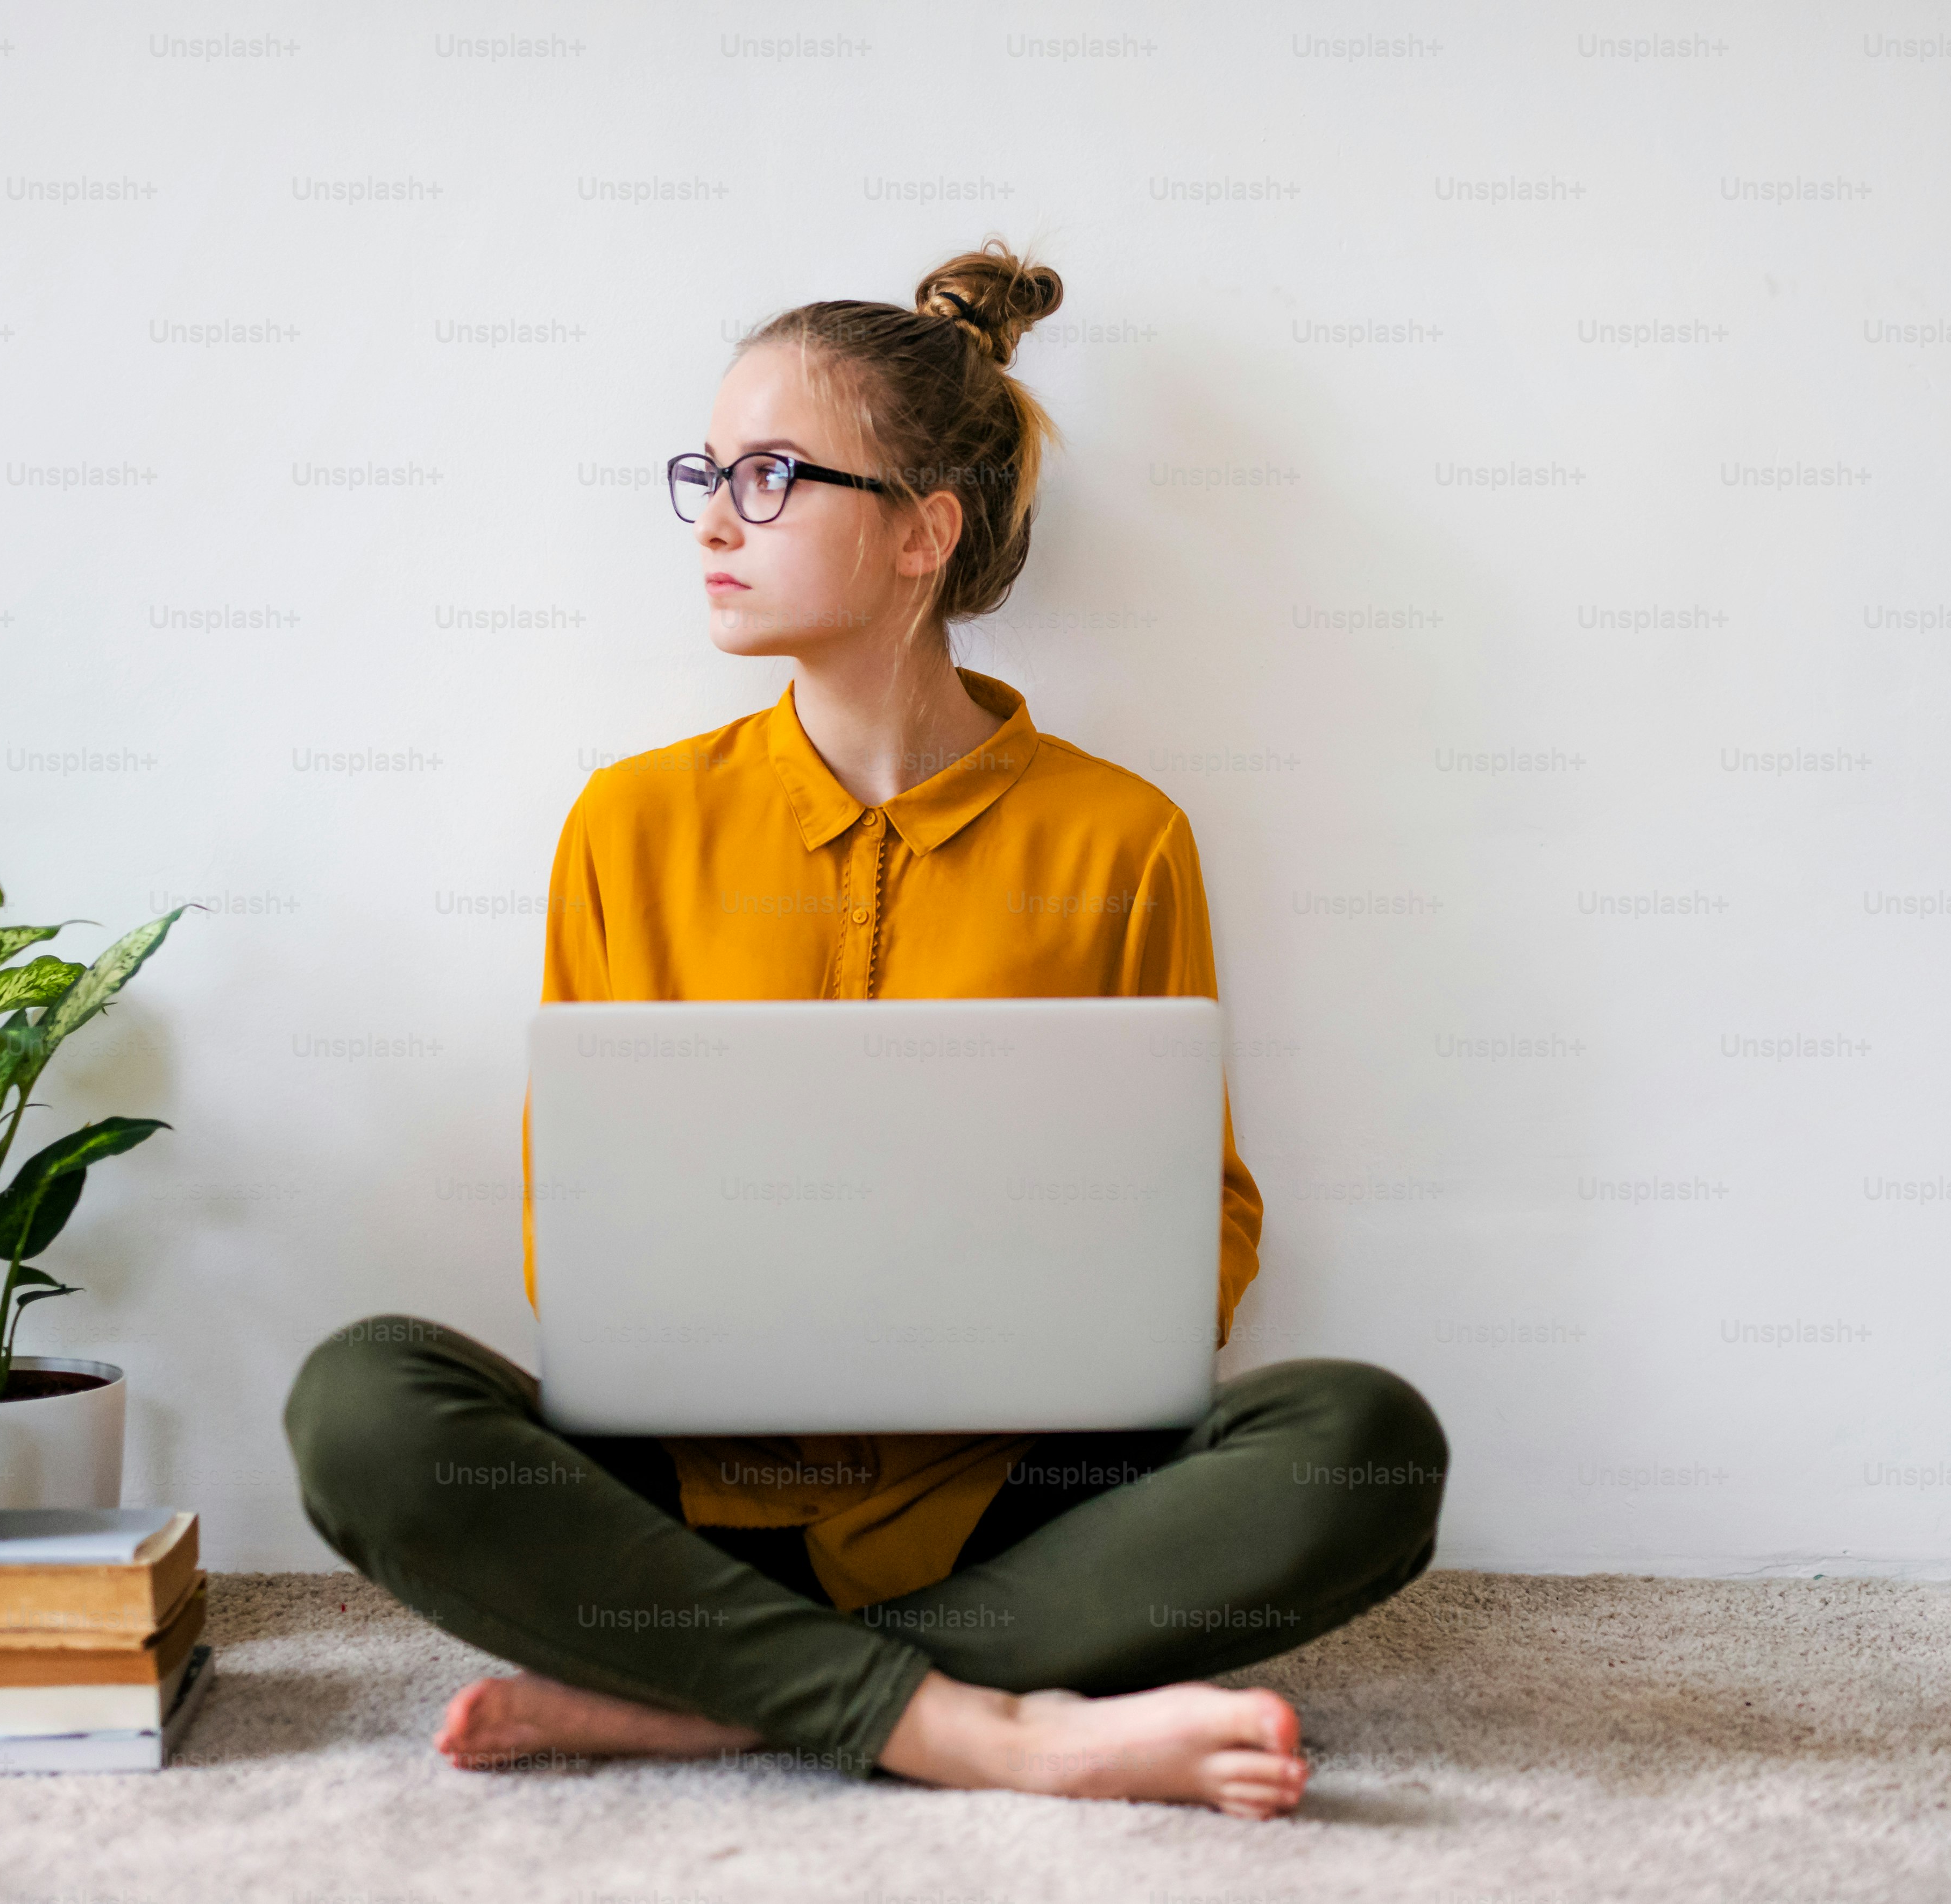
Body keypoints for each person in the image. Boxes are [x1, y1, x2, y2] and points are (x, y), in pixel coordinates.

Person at [284, 239, 1448, 1821]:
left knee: (1365, 1445)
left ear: (925, 532)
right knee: (364, 1398)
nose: (711, 516)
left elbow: (1208, 1221)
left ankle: (721, 1696)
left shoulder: (1124, 836)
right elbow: (585, 1228)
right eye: (708, 469)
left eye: (771, 476)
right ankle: (992, 1724)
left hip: (1015, 1498)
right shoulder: (625, 826)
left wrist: (1072, 1312)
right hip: (693, 1496)